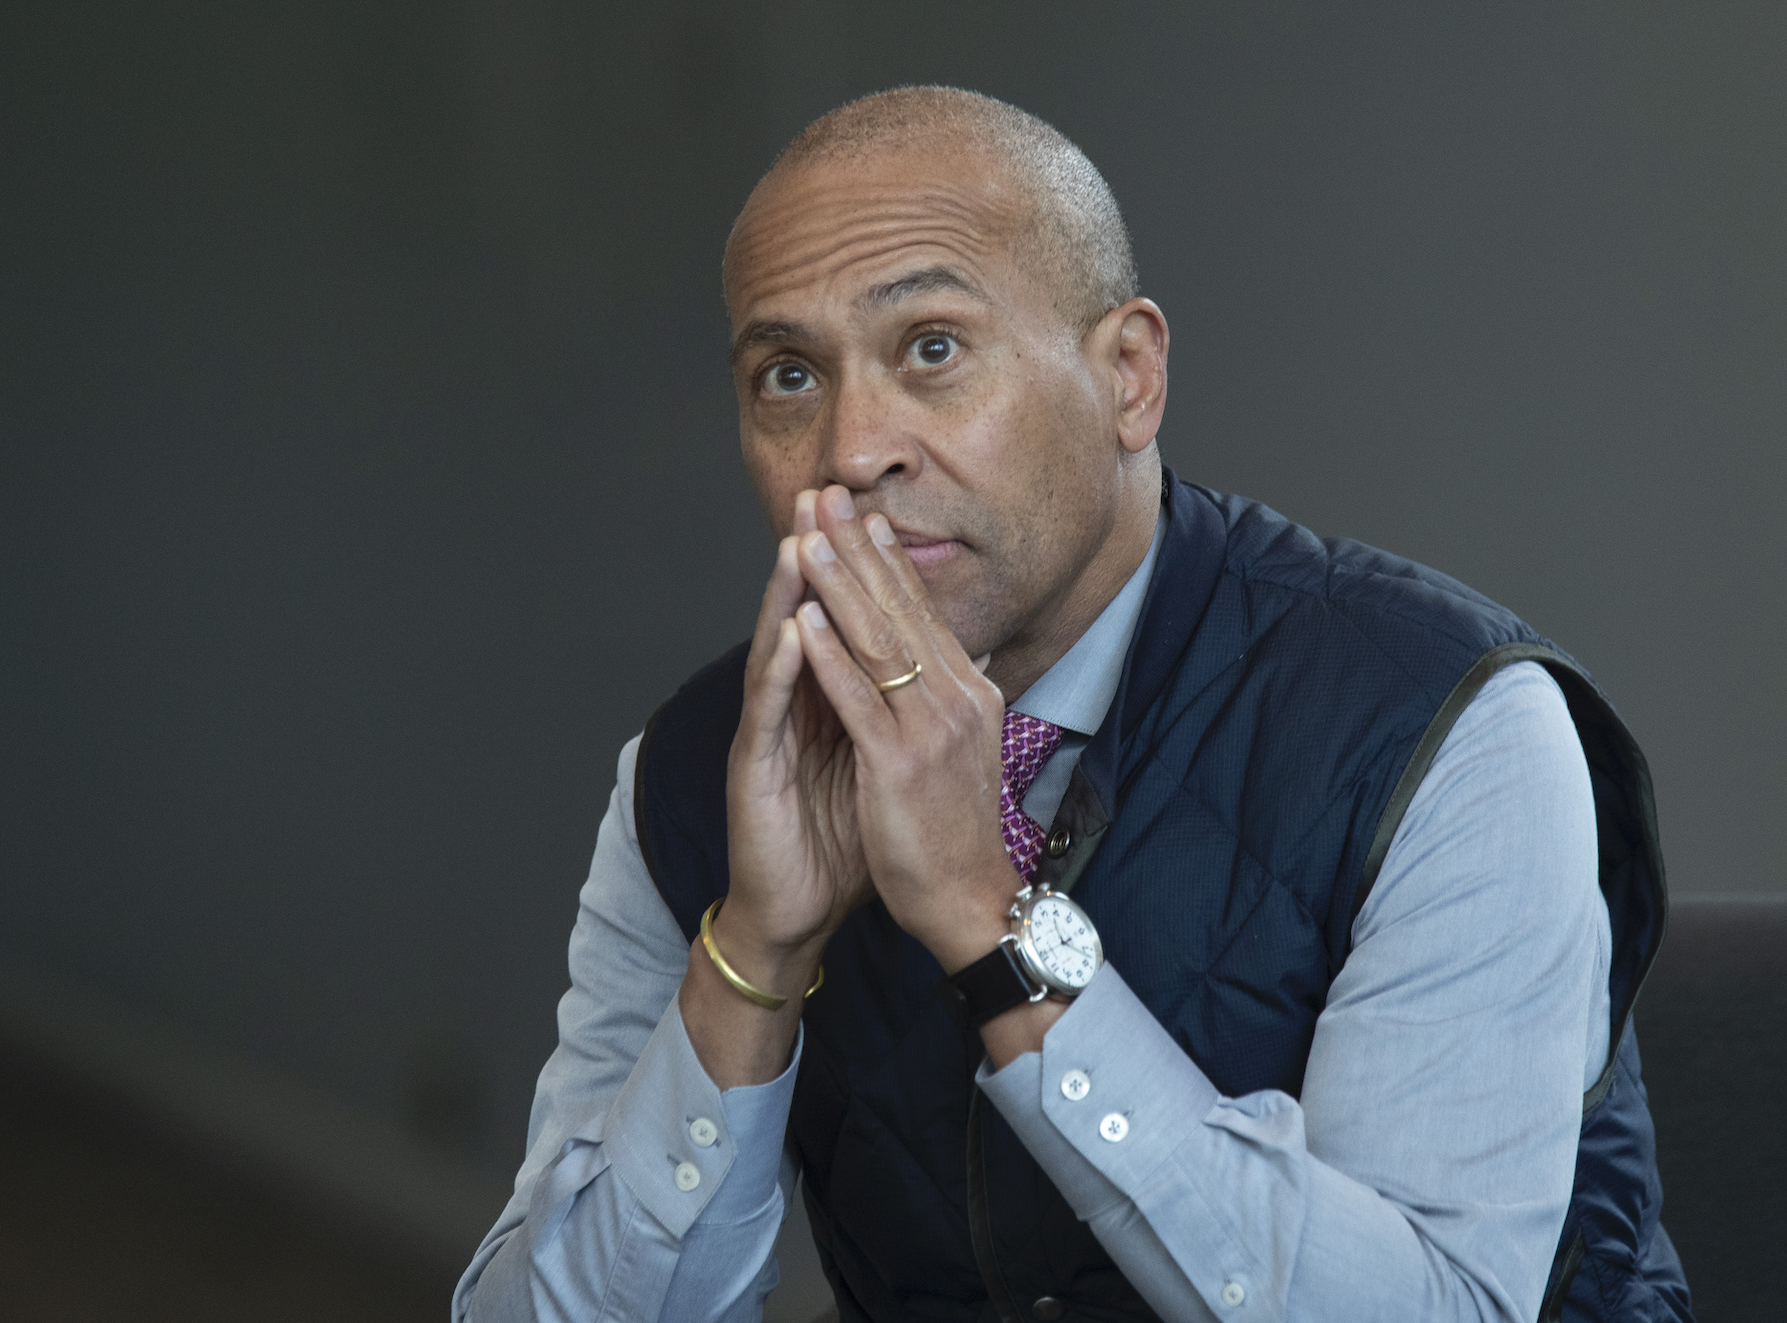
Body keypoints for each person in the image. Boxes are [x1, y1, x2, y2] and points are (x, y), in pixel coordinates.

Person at [454, 86, 1690, 1323]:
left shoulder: (1449, 727)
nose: (850, 451)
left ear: (1129, 379)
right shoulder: (704, 771)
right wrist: (755, 956)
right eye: (788, 376)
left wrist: (984, 918)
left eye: (931, 349)